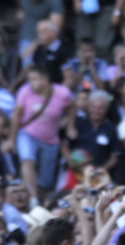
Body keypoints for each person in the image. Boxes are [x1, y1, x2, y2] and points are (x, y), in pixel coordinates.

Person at [10, 65, 77, 201]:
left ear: (45, 80)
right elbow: (16, 116)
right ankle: (33, 197)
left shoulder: (62, 93)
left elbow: (72, 106)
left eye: (34, 79)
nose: (30, 83)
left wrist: (70, 126)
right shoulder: (25, 92)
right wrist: (11, 139)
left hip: (50, 139)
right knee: (27, 160)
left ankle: (41, 203)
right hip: (28, 134)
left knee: (45, 180)